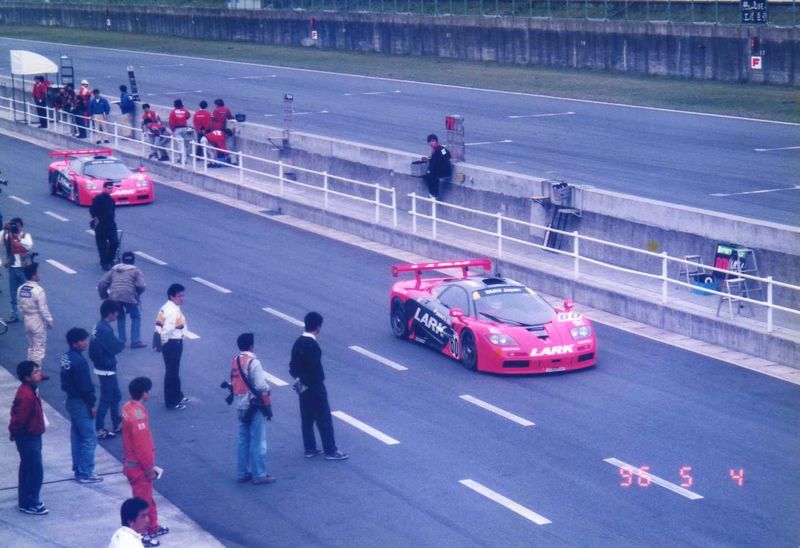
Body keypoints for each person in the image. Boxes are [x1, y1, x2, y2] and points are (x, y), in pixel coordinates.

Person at [289, 312, 348, 461]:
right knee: (324, 418)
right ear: (318, 327)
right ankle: (330, 450)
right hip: (315, 387)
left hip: (302, 387)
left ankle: (310, 448)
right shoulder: (313, 345)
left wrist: (300, 381)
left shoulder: (298, 342)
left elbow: (292, 367)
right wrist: (309, 382)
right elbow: (313, 368)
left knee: (307, 418)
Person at [121, 377, 169, 545]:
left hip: (130, 463)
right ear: (144, 393)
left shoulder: (127, 408)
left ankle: (153, 527)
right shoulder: (138, 417)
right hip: (139, 468)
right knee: (142, 505)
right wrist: (149, 468)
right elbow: (143, 447)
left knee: (148, 498)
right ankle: (143, 536)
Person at [231, 333, 275, 485]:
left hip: (240, 404)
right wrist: (268, 390)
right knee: (258, 440)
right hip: (253, 405)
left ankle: (242, 473)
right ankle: (259, 474)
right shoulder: (253, 362)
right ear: (251, 345)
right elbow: (261, 386)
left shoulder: (235, 360)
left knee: (243, 440)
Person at [60, 327, 102, 484]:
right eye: (82, 340)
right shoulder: (79, 361)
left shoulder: (66, 357)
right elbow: (85, 386)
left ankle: (79, 469)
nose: (85, 343)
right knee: (89, 438)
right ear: (74, 343)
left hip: (71, 399)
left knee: (77, 436)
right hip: (81, 402)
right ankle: (85, 472)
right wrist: (91, 404)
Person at [8, 361, 47, 516]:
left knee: (27, 468)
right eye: (35, 372)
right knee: (34, 470)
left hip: (32, 435)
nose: (39, 373)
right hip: (28, 437)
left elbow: (41, 377)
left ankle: (25, 500)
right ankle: (30, 502)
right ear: (27, 377)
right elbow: (18, 418)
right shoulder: (25, 395)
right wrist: (14, 432)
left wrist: (40, 376)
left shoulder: (30, 387)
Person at [90, 300, 125, 440]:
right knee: (106, 398)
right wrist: (121, 342)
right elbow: (117, 347)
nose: (117, 315)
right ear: (110, 313)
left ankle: (117, 422)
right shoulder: (106, 330)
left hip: (102, 366)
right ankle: (98, 427)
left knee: (115, 395)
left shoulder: (98, 326)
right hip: (106, 367)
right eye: (116, 312)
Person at [98, 251, 147, 348]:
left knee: (120, 317)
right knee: (135, 316)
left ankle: (121, 340)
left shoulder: (114, 270)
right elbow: (142, 285)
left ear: (121, 260)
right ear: (133, 261)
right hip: (129, 296)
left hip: (115, 296)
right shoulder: (135, 270)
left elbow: (102, 283)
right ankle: (135, 341)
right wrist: (137, 294)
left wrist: (104, 296)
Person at [153, 283, 189, 410]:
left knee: (174, 371)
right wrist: (164, 343)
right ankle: (171, 401)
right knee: (171, 373)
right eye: (180, 296)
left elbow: (158, 325)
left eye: (183, 295)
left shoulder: (168, 307)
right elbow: (165, 330)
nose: (182, 298)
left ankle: (178, 395)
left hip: (173, 343)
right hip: (173, 344)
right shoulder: (172, 310)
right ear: (172, 296)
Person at [17, 263, 53, 368]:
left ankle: (29, 368)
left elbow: (19, 305)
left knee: (31, 346)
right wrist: (49, 321)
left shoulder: (21, 288)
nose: (39, 274)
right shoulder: (38, 290)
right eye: (38, 272)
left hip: (26, 319)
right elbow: (44, 309)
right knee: (39, 348)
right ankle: (36, 372)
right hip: (36, 320)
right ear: (33, 275)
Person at [2, 217, 33, 323]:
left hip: (24, 269)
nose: (16, 227)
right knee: (13, 293)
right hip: (12, 268)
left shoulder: (26, 236)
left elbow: (28, 246)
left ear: (21, 226)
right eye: (14, 225)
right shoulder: (7, 235)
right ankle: (14, 314)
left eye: (18, 225)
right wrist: (5, 229)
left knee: (27, 293)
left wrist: (17, 237)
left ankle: (29, 315)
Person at [90, 180, 119, 271]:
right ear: (104, 188)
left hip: (111, 225)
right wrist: (96, 220)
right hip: (101, 226)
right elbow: (92, 210)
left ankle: (110, 259)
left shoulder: (111, 200)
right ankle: (104, 262)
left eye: (111, 188)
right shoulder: (98, 198)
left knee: (115, 242)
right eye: (109, 188)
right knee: (102, 246)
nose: (110, 190)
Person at [424, 133, 452, 200]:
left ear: (436, 141)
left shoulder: (440, 149)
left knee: (430, 176)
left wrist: (430, 169)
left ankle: (434, 193)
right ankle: (433, 193)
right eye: (430, 142)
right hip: (440, 169)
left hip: (444, 171)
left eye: (433, 141)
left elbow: (446, 156)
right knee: (430, 175)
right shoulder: (437, 150)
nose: (432, 143)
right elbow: (448, 154)